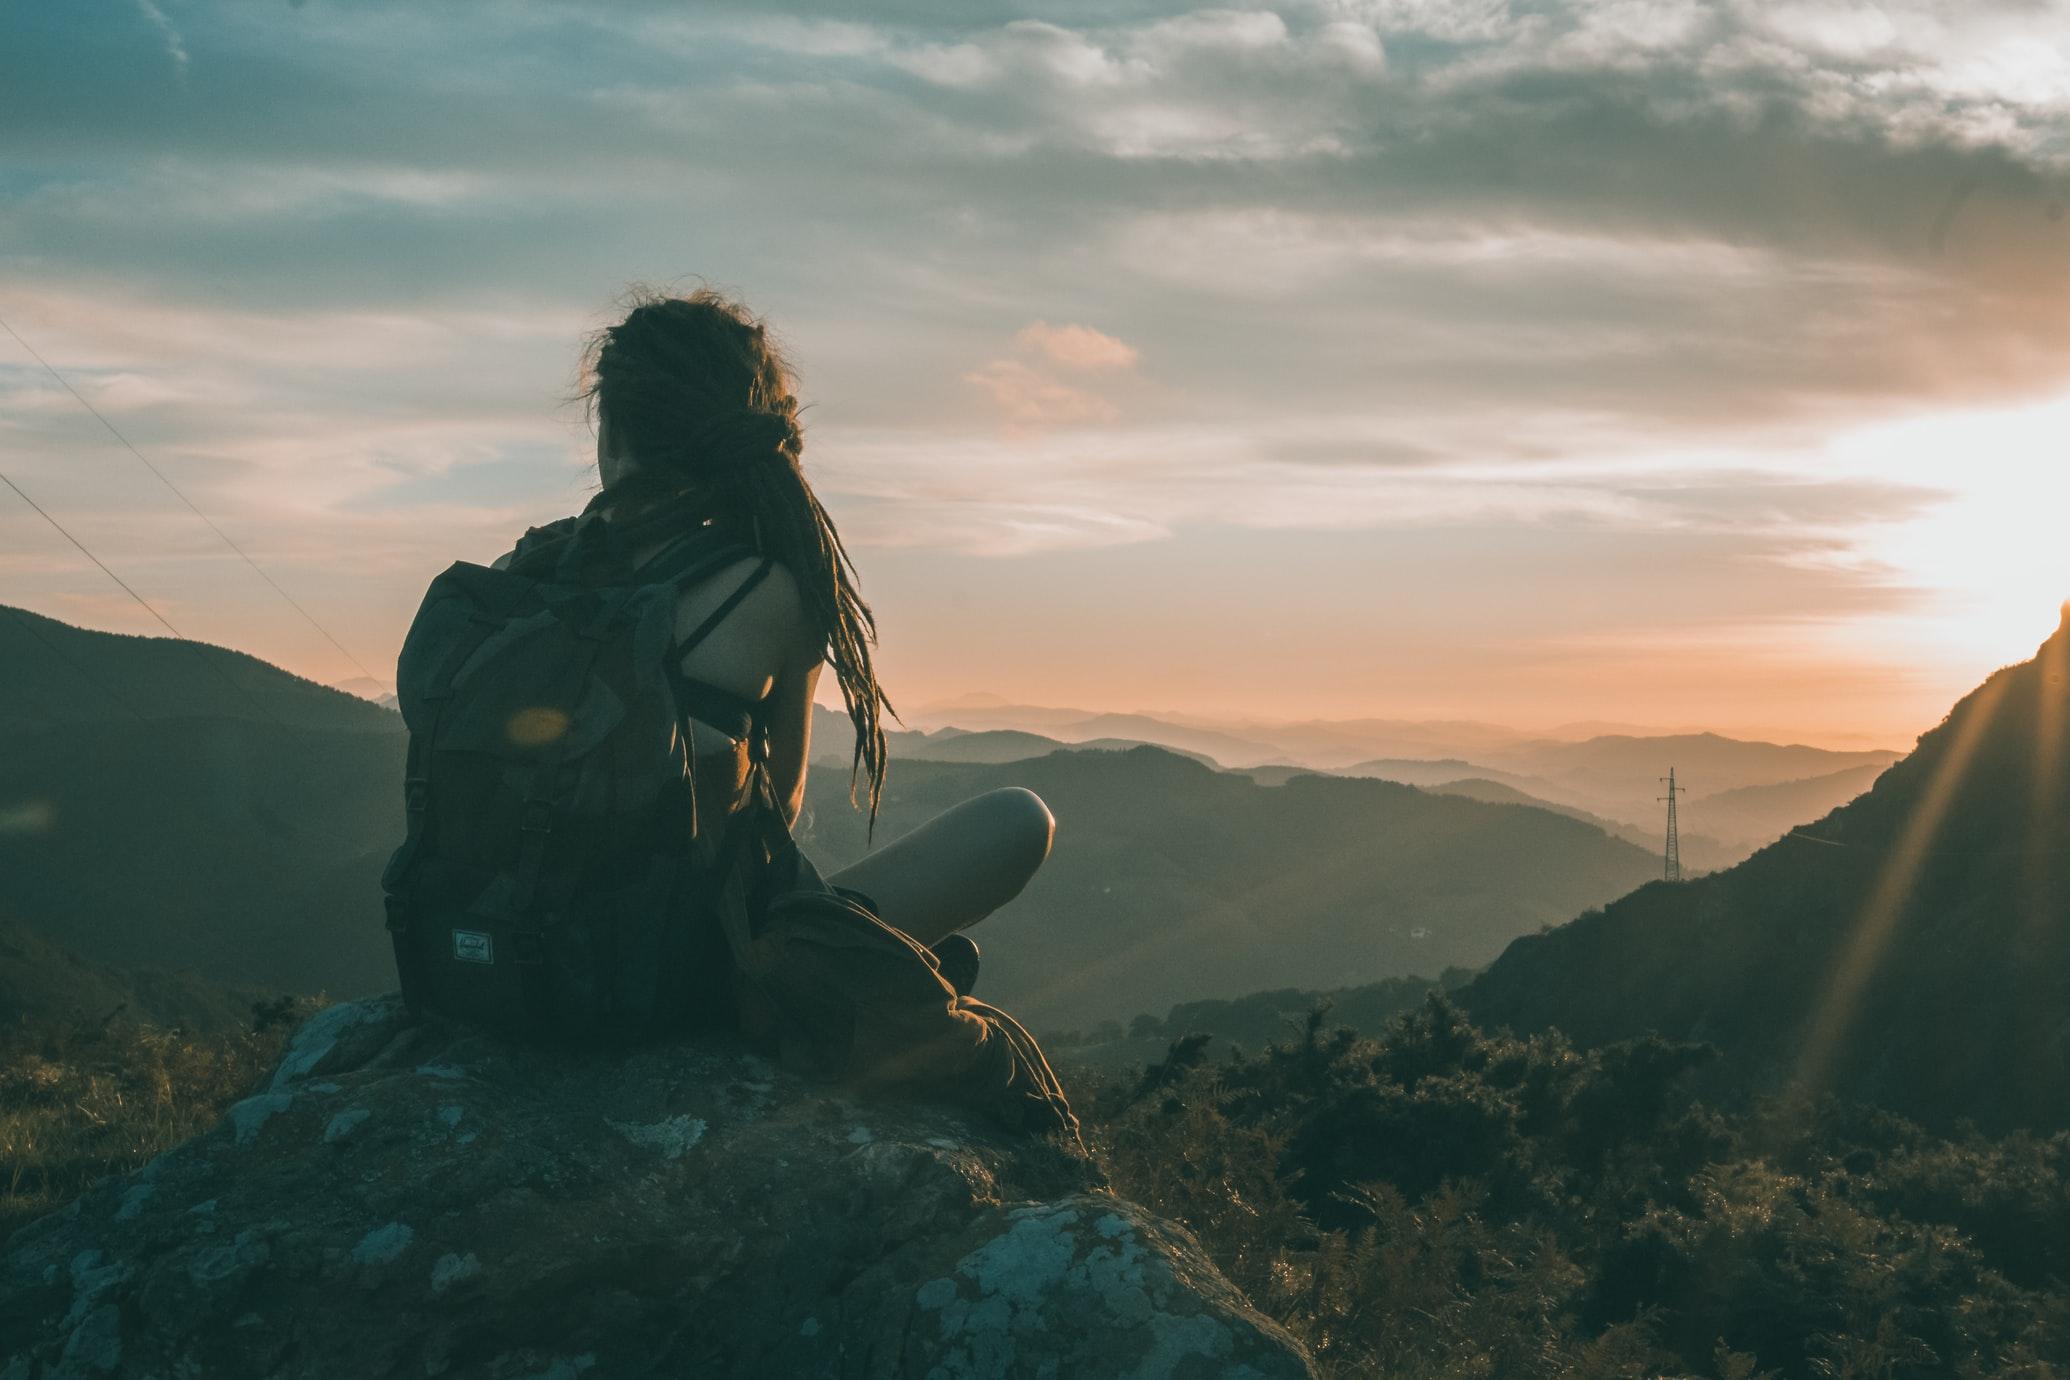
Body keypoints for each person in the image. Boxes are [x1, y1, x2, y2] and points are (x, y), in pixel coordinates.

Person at [478, 287, 1077, 1137]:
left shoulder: (514, 577)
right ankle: (857, 992)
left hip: (499, 966)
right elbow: (781, 806)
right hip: (682, 982)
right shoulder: (764, 588)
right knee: (1019, 820)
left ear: (609, 433)